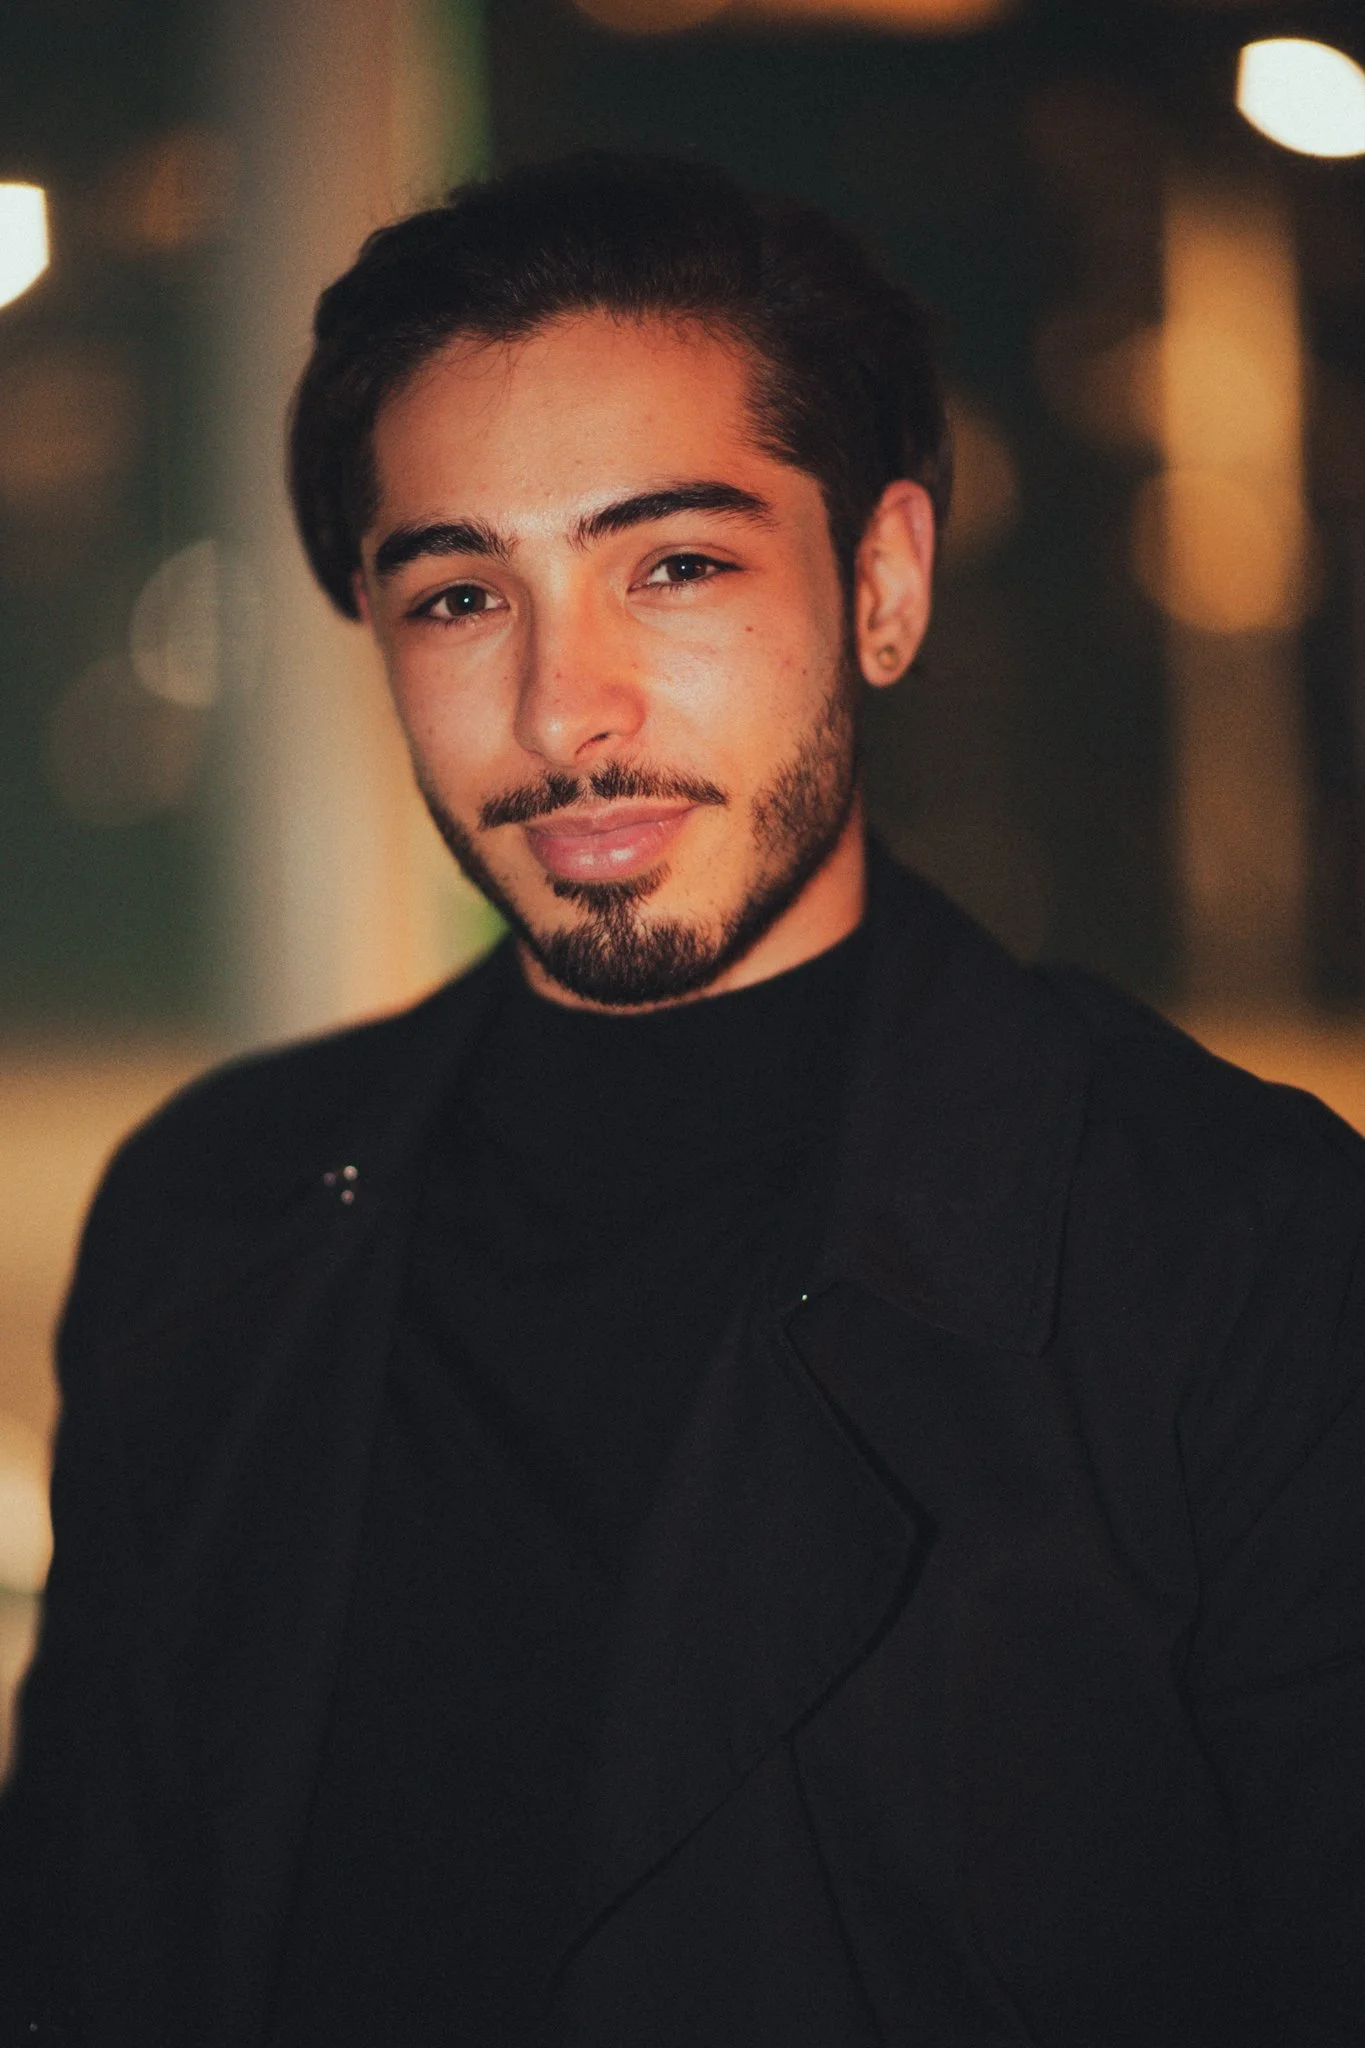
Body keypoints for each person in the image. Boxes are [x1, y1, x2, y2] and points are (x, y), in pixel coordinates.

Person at [1, 151, 1362, 2048]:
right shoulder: (212, 1212)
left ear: (880, 585)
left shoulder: (1236, 1245)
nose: (571, 711)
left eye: (677, 564)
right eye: (463, 593)